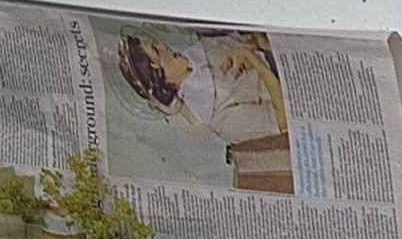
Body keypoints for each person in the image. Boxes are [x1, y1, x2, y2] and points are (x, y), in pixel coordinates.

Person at [118, 30, 294, 193]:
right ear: (159, 74)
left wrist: (254, 44)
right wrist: (253, 60)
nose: (163, 45)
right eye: (157, 51)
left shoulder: (204, 47)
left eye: (156, 44)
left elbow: (254, 40)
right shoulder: (218, 117)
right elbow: (284, 118)